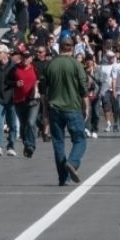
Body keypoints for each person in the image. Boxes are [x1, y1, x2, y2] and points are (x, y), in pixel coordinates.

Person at [44, 37, 88, 187]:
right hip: (72, 107)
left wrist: (45, 111)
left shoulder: (51, 64)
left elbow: (44, 90)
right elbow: (83, 89)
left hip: (54, 108)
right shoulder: (76, 64)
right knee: (80, 139)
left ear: (60, 47)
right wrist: (86, 107)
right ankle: (72, 162)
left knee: (58, 142)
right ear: (72, 48)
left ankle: (63, 178)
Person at [8, 45, 39, 158]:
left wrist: (38, 85)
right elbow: (7, 81)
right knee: (24, 124)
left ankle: (31, 145)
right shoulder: (15, 68)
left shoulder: (35, 68)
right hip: (19, 100)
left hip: (33, 100)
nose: (25, 59)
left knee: (30, 122)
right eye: (23, 57)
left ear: (31, 58)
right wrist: (15, 83)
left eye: (27, 57)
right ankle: (26, 143)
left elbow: (42, 80)